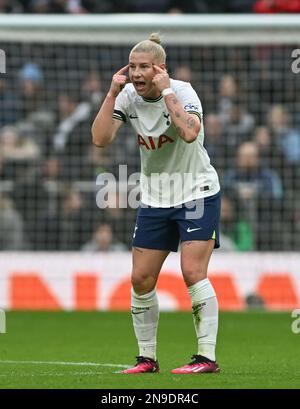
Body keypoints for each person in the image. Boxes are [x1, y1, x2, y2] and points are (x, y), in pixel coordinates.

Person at [92, 33, 221, 375]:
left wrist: (166, 93)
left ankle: (206, 358)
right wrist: (111, 93)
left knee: (193, 272)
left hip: (196, 191)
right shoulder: (128, 97)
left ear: (160, 69)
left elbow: (190, 132)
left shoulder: (183, 91)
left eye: (143, 67)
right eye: (132, 66)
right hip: (154, 197)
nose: (136, 73)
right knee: (141, 278)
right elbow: (100, 139)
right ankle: (146, 359)